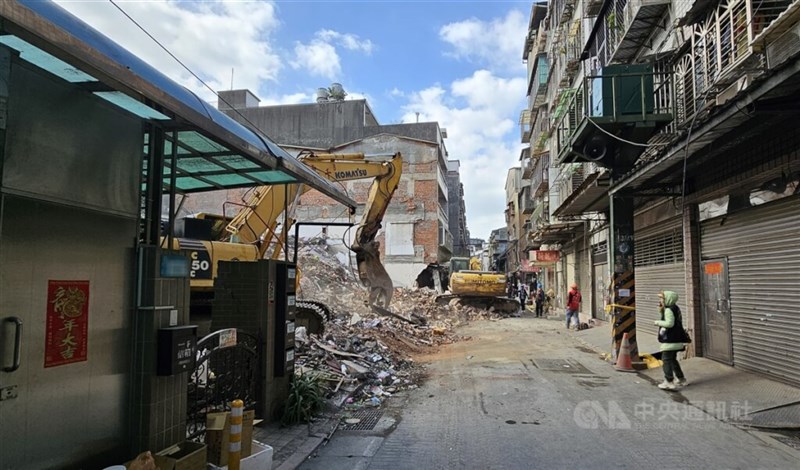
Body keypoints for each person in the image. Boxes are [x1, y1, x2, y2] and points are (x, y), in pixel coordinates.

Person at [654, 290, 689, 390]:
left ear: (668, 299)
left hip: (670, 340)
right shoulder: (675, 308)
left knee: (666, 359)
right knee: (672, 359)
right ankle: (681, 379)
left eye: (662, 298)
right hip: (676, 338)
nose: (660, 300)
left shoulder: (669, 310)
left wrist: (657, 322)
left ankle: (669, 381)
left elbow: (669, 323)